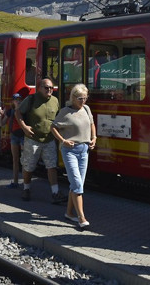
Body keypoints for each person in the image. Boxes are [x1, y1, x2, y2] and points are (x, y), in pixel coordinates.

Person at [51, 84, 96, 229]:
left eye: (85, 98)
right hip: (69, 150)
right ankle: (81, 218)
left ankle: (69, 213)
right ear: (73, 98)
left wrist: (94, 137)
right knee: (77, 184)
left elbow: (91, 123)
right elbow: (53, 127)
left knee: (77, 184)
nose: (83, 101)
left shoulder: (87, 109)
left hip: (84, 150)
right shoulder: (65, 111)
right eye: (80, 98)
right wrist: (63, 140)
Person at [15, 77, 65, 204]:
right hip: (33, 140)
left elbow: (58, 118)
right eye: (46, 88)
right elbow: (18, 112)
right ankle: (26, 188)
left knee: (51, 166)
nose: (49, 90)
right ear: (39, 88)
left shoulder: (55, 101)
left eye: (51, 88)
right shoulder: (31, 99)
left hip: (49, 140)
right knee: (29, 166)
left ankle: (55, 193)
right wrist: (24, 127)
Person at [1, 91, 26, 188]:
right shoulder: (10, 111)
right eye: (16, 100)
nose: (18, 101)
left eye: (19, 99)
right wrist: (1, 116)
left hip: (23, 136)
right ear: (13, 102)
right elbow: (2, 123)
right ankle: (15, 181)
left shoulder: (24, 110)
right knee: (15, 159)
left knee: (24, 160)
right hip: (14, 136)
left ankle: (25, 183)